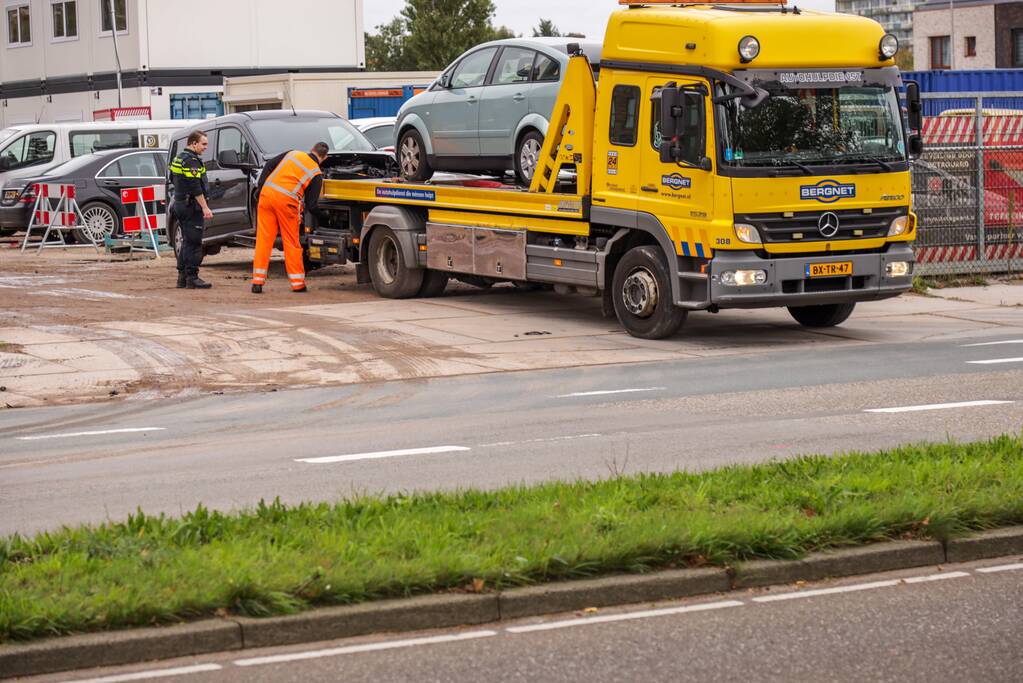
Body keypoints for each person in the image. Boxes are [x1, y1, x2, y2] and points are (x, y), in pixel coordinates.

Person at [251, 142, 331, 293]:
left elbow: (268, 166)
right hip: (286, 203)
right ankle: (297, 283)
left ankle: (257, 282)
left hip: (266, 196)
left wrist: (261, 188)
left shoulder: (293, 153)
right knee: (291, 242)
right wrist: (325, 216)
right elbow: (312, 206)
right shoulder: (316, 173)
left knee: (264, 240)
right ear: (324, 157)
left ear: (311, 149)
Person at [169, 131, 214, 289]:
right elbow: (195, 187)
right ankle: (192, 277)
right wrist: (205, 207)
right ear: (193, 143)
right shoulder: (191, 161)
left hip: (180, 203)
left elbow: (172, 178)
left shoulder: (178, 158)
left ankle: (182, 278)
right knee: (194, 243)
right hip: (190, 206)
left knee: (186, 241)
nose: (205, 147)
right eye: (203, 144)